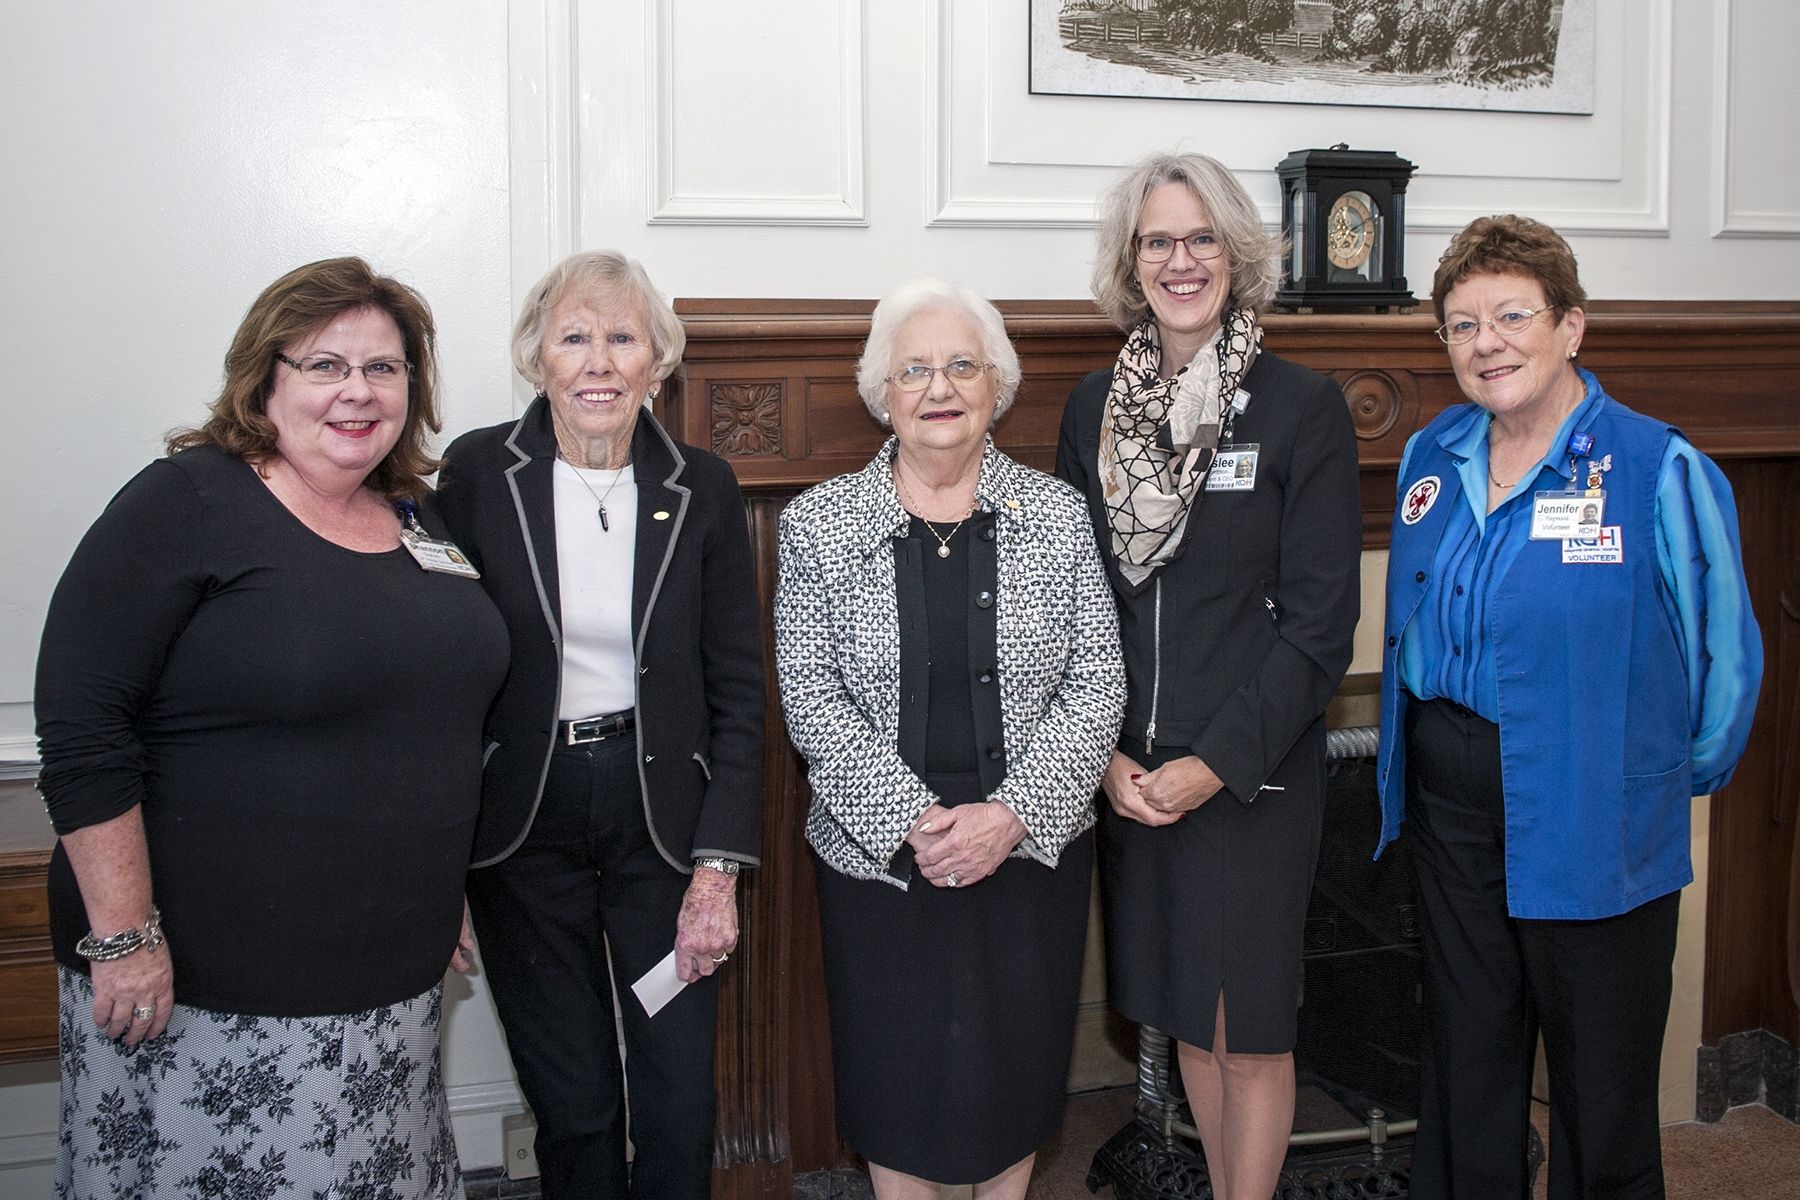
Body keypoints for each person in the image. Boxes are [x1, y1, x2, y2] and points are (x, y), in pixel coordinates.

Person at [35, 257, 510, 1199]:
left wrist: (439, 878)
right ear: (265, 380)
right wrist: (123, 937)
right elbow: (84, 726)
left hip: (391, 976)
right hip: (205, 985)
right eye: (325, 365)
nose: (357, 391)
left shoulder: (419, 517)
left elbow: (425, 718)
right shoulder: (185, 502)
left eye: (383, 368)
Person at [1377, 215, 1763, 1200]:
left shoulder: (1657, 466)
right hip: (1452, 800)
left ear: (1571, 326)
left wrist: (1651, 781)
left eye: (1513, 316)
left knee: (1601, 1076)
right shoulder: (1432, 454)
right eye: (1463, 326)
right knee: (1467, 1057)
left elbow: (1726, 662)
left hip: (1595, 800)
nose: (1487, 344)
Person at [776, 279, 1124, 1199]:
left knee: (1016, 1074)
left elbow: (1098, 684)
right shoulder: (818, 524)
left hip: (1029, 852)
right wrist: (915, 822)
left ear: (997, 386)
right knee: (896, 1082)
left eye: (963, 365)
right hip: (882, 864)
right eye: (915, 369)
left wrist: (1009, 816)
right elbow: (810, 697)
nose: (940, 386)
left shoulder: (1059, 514)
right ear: (882, 392)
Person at [1056, 152, 1362, 1200]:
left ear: (1236, 253)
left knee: (1249, 1033)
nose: (1180, 261)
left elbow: (1321, 628)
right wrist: (1102, 755)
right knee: (1190, 1020)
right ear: (1130, 260)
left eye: (1201, 239)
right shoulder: (1093, 409)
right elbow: (1075, 603)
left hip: (1249, 778)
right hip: (1134, 783)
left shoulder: (1302, 408)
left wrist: (1211, 765)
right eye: (1158, 241)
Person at [434, 250, 763, 1199]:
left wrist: (719, 868)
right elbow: (439, 682)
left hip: (660, 817)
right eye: (574, 337)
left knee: (678, 1088)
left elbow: (739, 688)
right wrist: (434, 864)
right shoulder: (477, 475)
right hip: (522, 822)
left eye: (623, 337)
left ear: (658, 359)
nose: (599, 361)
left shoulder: (702, 484)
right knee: (571, 1095)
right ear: (536, 356)